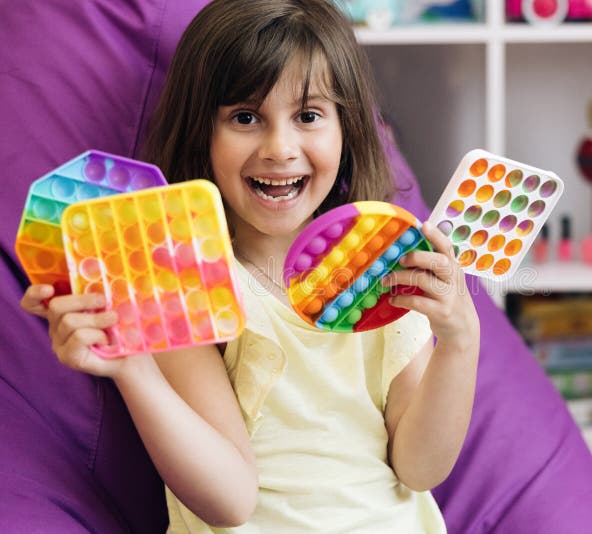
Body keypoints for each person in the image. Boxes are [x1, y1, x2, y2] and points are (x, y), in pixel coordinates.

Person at [19, 0, 479, 531]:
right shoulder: (186, 281)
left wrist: (460, 343)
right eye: (245, 117)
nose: (279, 148)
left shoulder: (378, 269)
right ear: (202, 136)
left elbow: (421, 468)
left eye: (308, 116)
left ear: (347, 130)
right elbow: (231, 499)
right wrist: (131, 366)